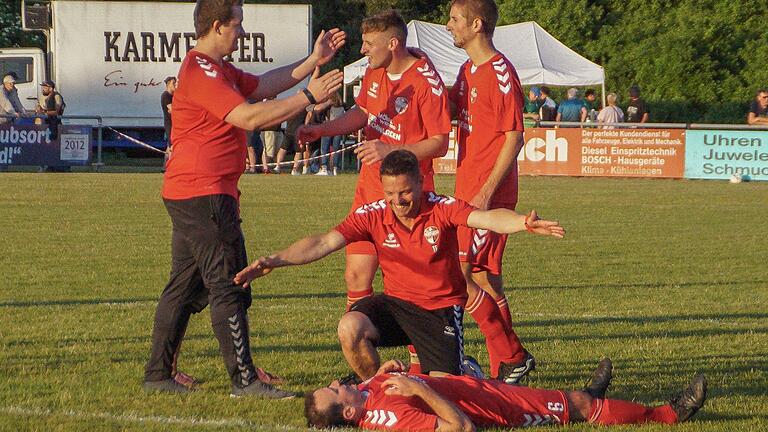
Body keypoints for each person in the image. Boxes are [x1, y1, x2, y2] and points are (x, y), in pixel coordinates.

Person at [143, 0, 346, 398]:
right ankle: (245, 380)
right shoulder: (202, 70)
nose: (242, 32)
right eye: (238, 24)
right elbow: (249, 117)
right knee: (229, 285)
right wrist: (309, 95)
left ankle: (158, 374)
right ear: (218, 26)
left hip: (194, 191)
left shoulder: (213, 68)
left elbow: (264, 85)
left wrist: (311, 61)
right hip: (204, 192)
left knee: (184, 287)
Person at [234, 150, 564, 382]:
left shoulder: (441, 208)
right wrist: (275, 260)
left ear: (420, 183)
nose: (398, 201)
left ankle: (468, 371)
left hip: (439, 312)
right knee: (350, 328)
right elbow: (323, 242)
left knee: (441, 392)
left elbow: (486, 218)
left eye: (405, 192)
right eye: (391, 193)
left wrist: (522, 222)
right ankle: (375, 388)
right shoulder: (373, 213)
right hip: (396, 306)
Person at [296, 11, 451, 323]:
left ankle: (420, 363)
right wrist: (321, 131)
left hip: (407, 198)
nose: (363, 50)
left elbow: (439, 142)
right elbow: (362, 113)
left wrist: (390, 150)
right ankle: (363, 355)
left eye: (368, 44)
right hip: (369, 191)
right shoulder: (374, 72)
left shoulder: (427, 83)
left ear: (392, 43)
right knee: (356, 276)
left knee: (411, 285)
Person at [446, 0, 536, 384]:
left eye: (453, 19)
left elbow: (514, 137)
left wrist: (485, 193)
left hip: (488, 197)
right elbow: (446, 109)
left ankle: (512, 357)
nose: (448, 25)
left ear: (476, 24)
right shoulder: (467, 70)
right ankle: (506, 365)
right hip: (468, 192)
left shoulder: (501, 73)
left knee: (459, 276)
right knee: (484, 279)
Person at [304, 357, 708, 430]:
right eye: (337, 390)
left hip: (480, 389)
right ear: (352, 415)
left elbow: (377, 384)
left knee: (562, 397)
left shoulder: (367, 392)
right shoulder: (389, 420)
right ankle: (666, 415)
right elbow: (460, 427)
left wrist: (389, 372)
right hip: (493, 408)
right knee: (578, 408)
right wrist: (418, 387)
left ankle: (585, 395)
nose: (341, 383)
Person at [316, 92, 346, 175]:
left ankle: (324, 167)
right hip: (339, 128)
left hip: (328, 128)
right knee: (336, 148)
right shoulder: (342, 105)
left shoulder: (328, 106)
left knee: (324, 148)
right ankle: (335, 168)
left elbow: (319, 111)